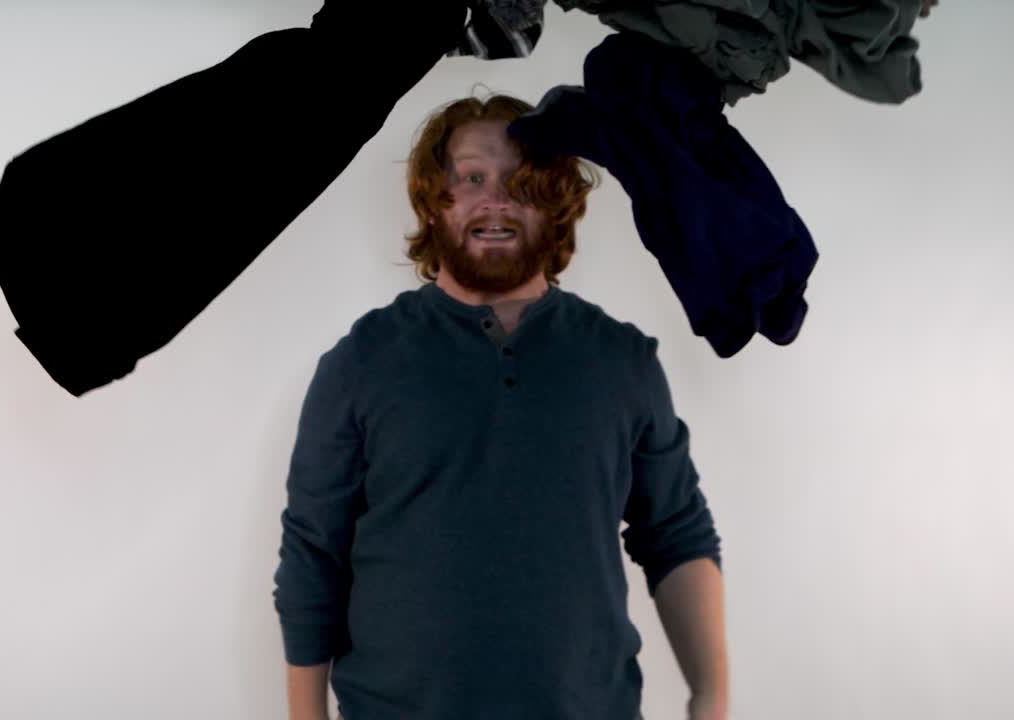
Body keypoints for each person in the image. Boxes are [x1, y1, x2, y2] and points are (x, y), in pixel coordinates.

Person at [274, 94, 728, 720]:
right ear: (435, 201)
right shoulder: (362, 362)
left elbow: (676, 532)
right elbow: (312, 555)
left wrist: (711, 698)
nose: (496, 200)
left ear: (554, 201)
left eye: (521, 181)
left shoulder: (623, 360)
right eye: (472, 178)